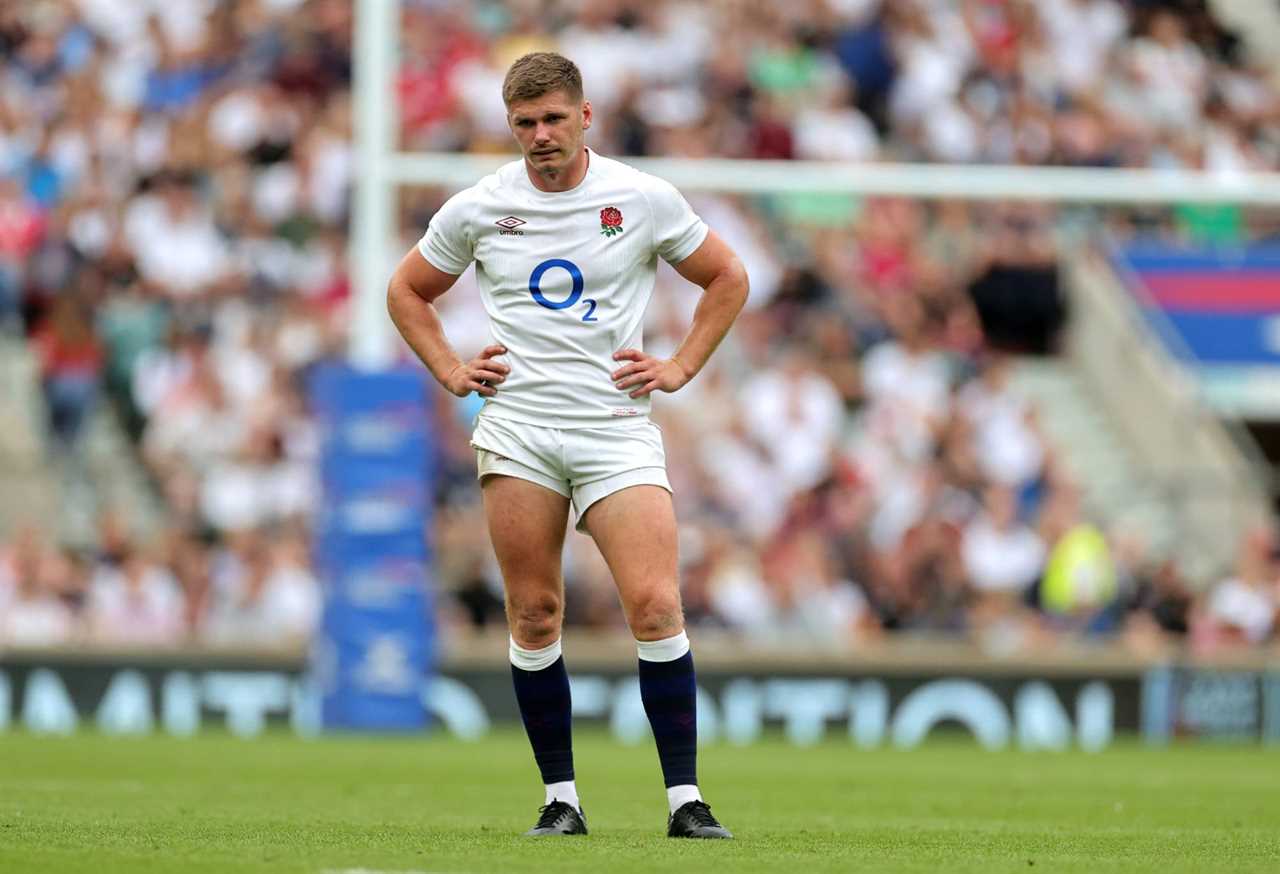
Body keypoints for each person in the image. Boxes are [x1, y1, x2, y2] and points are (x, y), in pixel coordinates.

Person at [387, 53, 748, 839]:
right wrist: (450, 368)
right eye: (525, 123)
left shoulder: (640, 198)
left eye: (553, 119)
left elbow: (727, 277)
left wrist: (681, 365)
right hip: (519, 429)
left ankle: (685, 801)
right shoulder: (481, 207)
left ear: (586, 116)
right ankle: (561, 799)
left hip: (613, 428)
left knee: (654, 605)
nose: (540, 135)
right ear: (509, 126)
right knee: (535, 612)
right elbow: (406, 290)